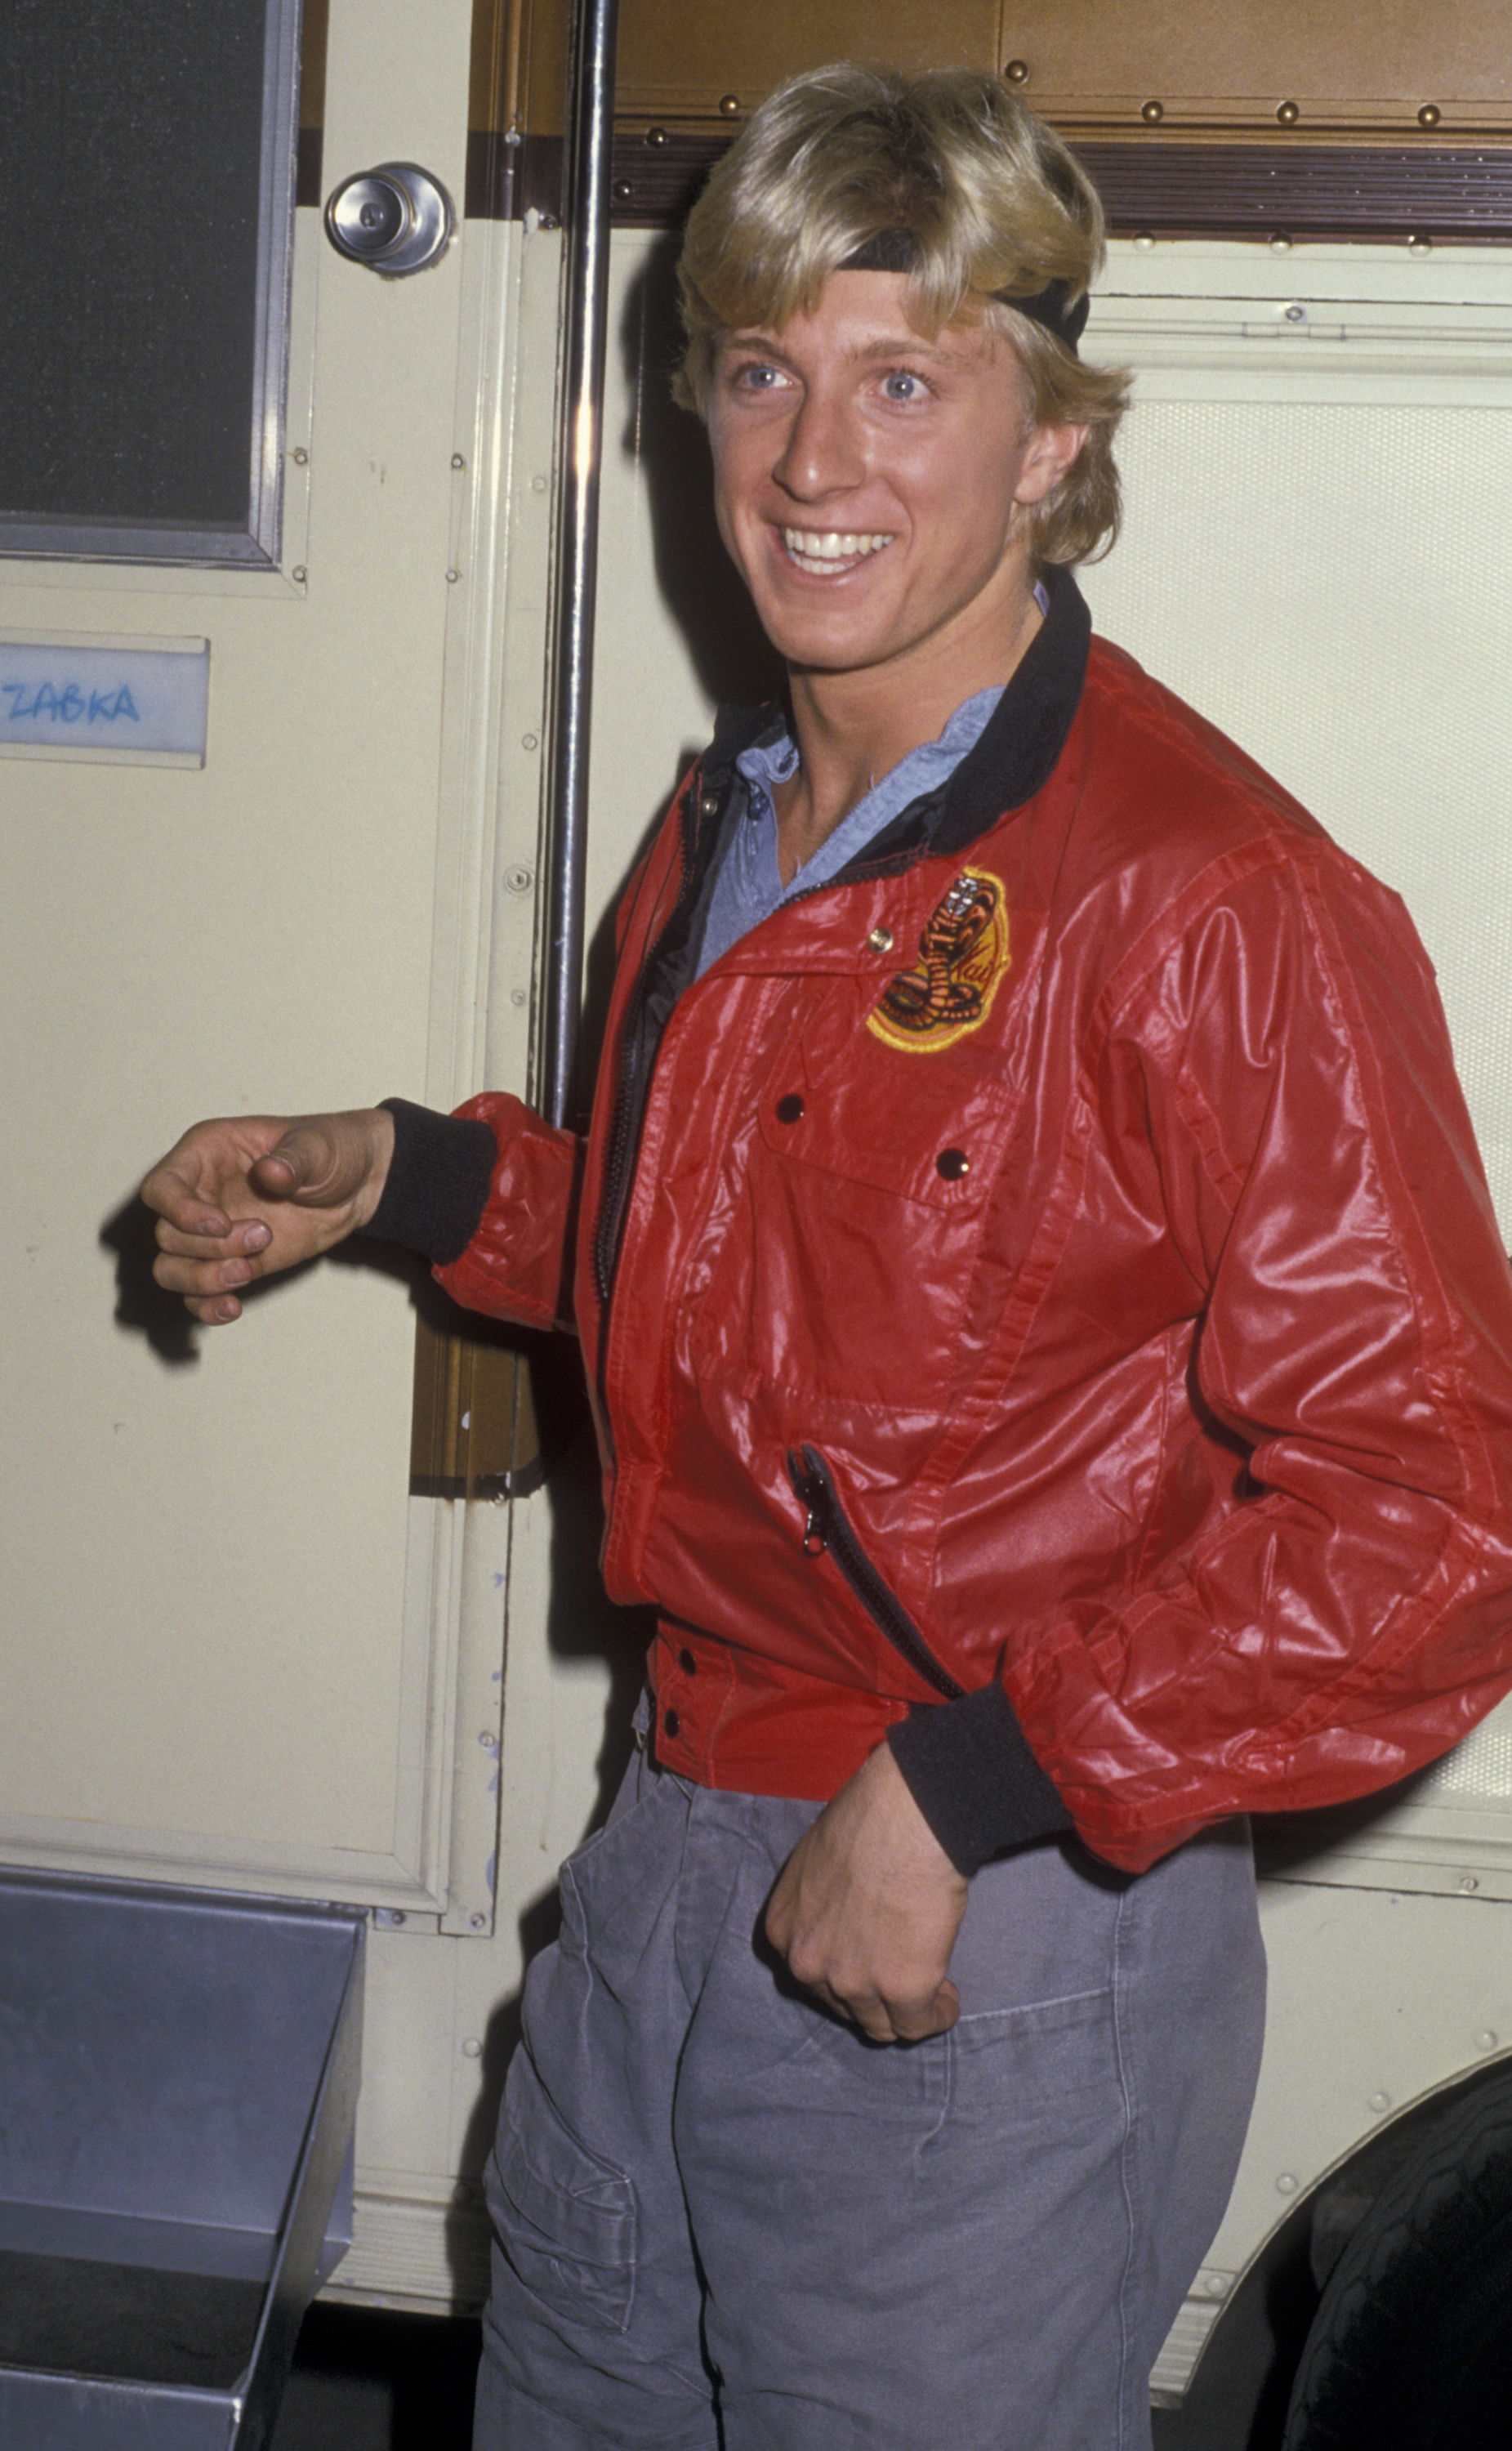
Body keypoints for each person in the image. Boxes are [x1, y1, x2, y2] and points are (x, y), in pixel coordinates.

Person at [143, 63, 1512, 2451]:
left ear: (1053, 444)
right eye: (759, 372)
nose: (807, 463)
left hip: (997, 1916)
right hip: (674, 1852)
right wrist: (423, 1179)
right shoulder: (742, 829)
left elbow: (1440, 1513)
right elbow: (796, 1308)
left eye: (905, 380)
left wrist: (978, 1785)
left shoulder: (1216, 905)